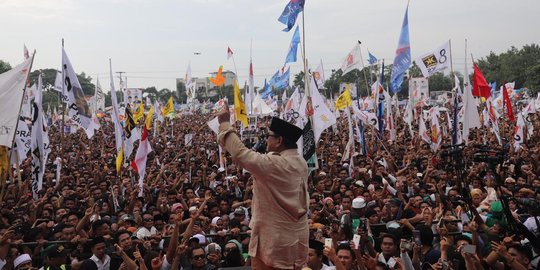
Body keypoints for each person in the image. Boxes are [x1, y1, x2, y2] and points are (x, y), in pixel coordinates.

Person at [217, 104, 309, 269]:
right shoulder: (300, 161)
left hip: (275, 245)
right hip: (293, 243)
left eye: (269, 136)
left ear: (279, 140)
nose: (266, 140)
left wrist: (224, 124)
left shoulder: (277, 164)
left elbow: (240, 154)